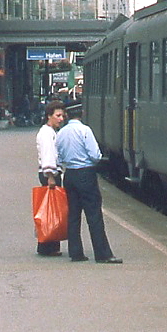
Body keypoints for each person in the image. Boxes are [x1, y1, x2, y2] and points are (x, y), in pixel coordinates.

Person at [56, 104, 122, 264]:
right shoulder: (85, 131)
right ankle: (102, 254)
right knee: (94, 215)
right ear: (82, 114)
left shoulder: (61, 133)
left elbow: (58, 157)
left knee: (73, 215)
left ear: (67, 115)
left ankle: (76, 253)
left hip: (70, 174)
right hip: (86, 174)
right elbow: (95, 155)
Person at [35, 101, 68, 257]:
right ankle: (47, 244)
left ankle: (49, 244)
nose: (61, 119)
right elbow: (48, 155)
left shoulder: (50, 132)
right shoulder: (47, 134)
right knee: (50, 210)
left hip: (50, 173)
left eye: (62, 115)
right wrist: (51, 177)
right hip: (50, 174)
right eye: (58, 115)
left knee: (50, 209)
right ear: (49, 116)